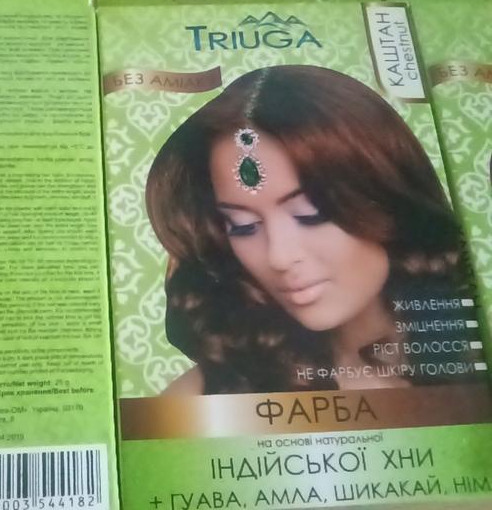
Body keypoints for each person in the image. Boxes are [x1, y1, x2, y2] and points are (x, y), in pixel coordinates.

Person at [145, 65, 468, 395]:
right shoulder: (198, 400)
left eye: (311, 215)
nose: (279, 257)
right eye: (243, 227)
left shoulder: (475, 343)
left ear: (390, 198)